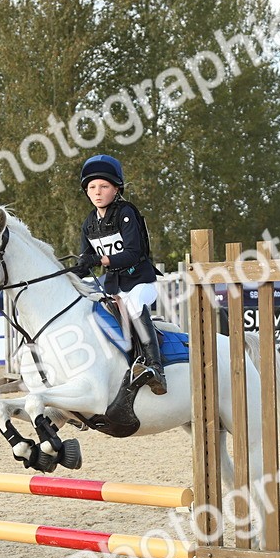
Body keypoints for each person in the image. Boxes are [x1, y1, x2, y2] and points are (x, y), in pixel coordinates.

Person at [73, 154, 165, 395]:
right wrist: (73, 269)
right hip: (114, 286)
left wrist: (100, 259)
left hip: (140, 281)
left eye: (104, 186)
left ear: (116, 189)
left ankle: (156, 368)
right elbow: (86, 261)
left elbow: (134, 253)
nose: (97, 192)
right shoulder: (89, 223)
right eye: (92, 187)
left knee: (133, 304)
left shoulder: (126, 213)